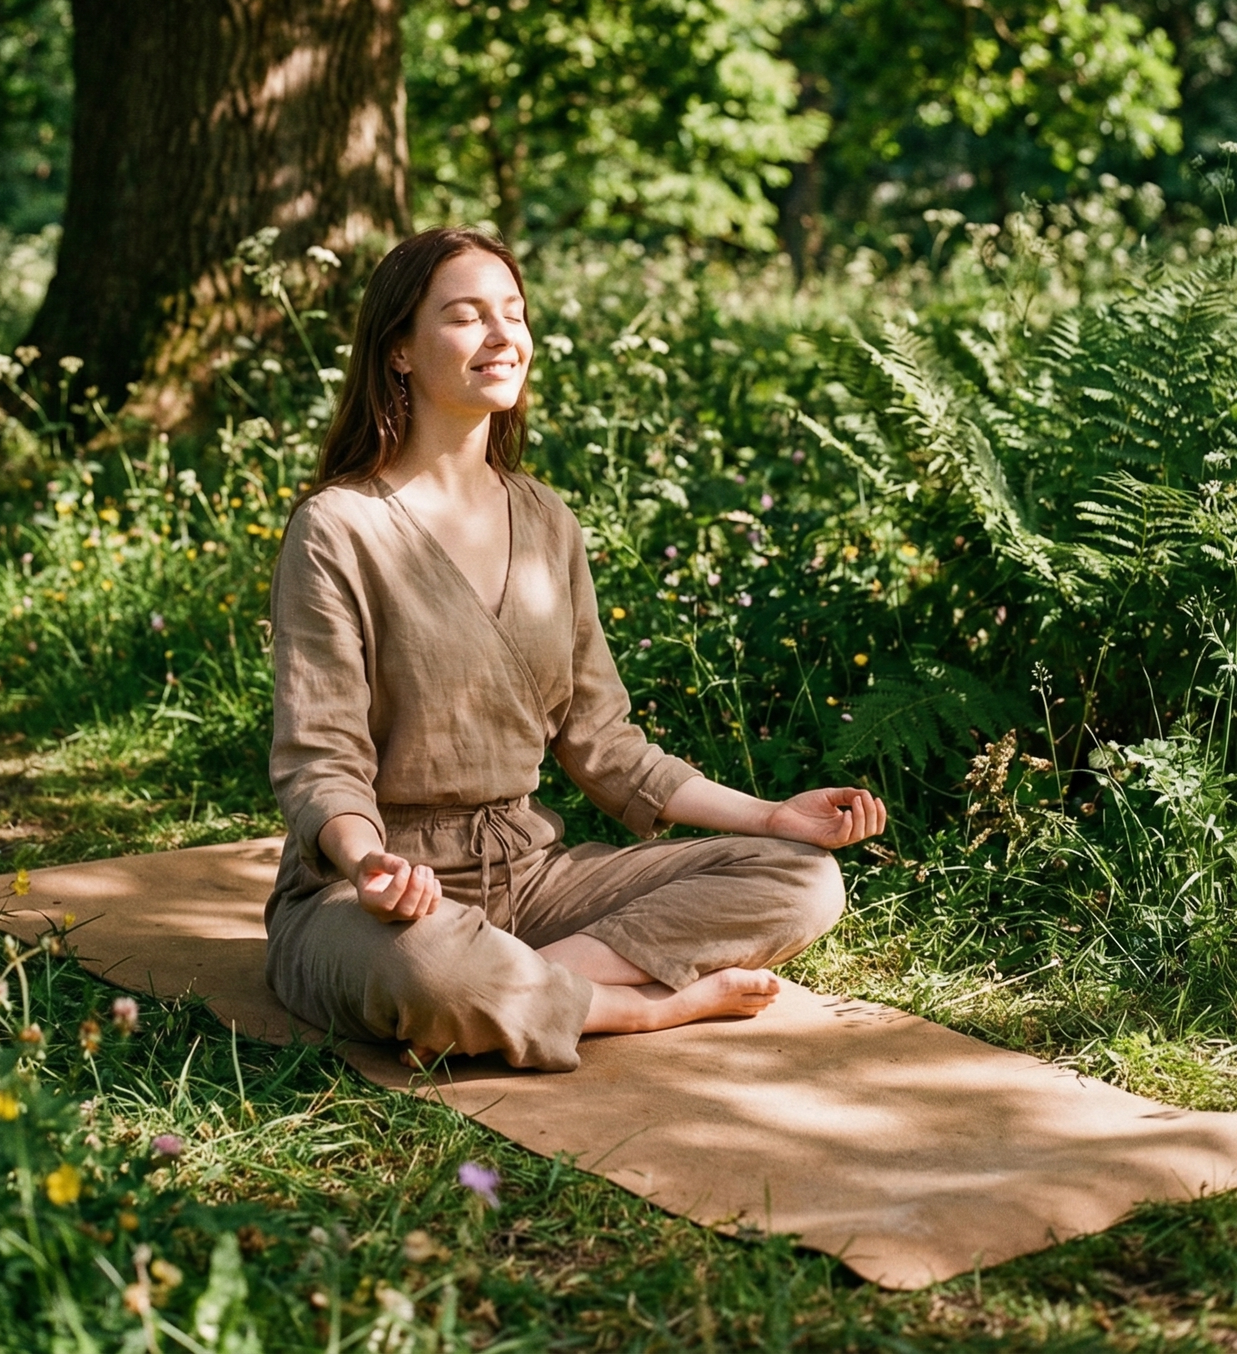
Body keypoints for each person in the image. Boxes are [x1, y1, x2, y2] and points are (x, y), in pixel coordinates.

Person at [264, 228, 886, 1072]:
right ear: (399, 351)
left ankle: (516, 993)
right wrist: (368, 860)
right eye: (465, 316)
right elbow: (321, 758)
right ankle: (635, 1008)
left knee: (801, 877)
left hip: (531, 875)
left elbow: (606, 743)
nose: (501, 336)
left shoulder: (546, 518)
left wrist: (771, 817)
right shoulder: (337, 527)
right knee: (427, 967)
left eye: (513, 315)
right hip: (372, 893)